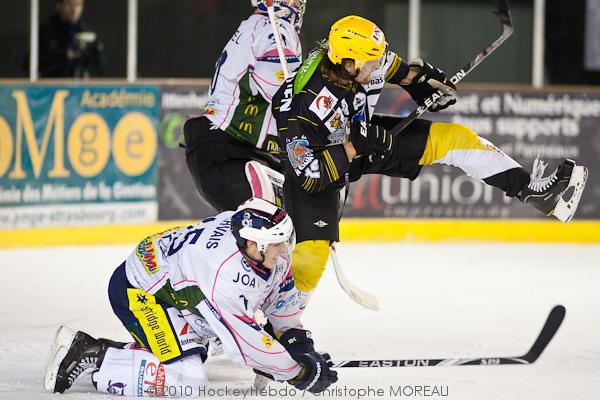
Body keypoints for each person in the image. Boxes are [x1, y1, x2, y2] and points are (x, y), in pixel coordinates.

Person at [271, 15, 589, 307]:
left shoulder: (354, 57)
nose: (379, 63)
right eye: (372, 61)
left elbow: (391, 66)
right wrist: (354, 148)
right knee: (311, 255)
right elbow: (309, 175)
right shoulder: (303, 109)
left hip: (358, 134)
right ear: (350, 64)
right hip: (318, 161)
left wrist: (417, 80)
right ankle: (278, 331)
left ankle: (536, 193)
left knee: (454, 139)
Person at [44, 198, 337, 396]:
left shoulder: (262, 252)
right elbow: (245, 346)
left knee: (204, 342)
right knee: (186, 381)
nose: (284, 252)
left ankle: (134, 352)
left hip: (178, 290)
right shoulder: (222, 274)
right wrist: (297, 371)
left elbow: (281, 305)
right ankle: (93, 354)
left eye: (285, 241)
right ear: (252, 244)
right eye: (276, 245)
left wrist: (298, 343)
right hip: (141, 290)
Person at [184, 0, 305, 212]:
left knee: (277, 232)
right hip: (230, 151)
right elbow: (283, 90)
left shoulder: (255, 26)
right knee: (268, 233)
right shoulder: (275, 27)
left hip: (225, 149)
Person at [39, 0, 104, 78]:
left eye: (78, 5)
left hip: (81, 86)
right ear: (59, 6)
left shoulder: (89, 33)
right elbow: (33, 64)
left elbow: (100, 65)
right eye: (70, 4)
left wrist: (88, 72)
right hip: (52, 84)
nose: (74, 9)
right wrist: (64, 56)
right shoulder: (46, 31)